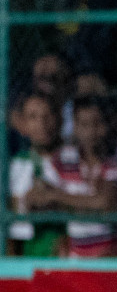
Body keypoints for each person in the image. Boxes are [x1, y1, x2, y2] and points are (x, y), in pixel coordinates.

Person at [32, 95, 117, 257]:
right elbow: (37, 196)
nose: (91, 132)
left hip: (111, 258)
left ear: (107, 124)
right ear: (75, 127)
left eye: (97, 123)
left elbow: (105, 202)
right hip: (75, 257)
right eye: (84, 124)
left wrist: (56, 197)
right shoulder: (63, 160)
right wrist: (86, 203)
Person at [8, 92, 65, 257]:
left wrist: (54, 199)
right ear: (23, 124)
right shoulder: (17, 164)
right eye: (33, 117)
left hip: (61, 249)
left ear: (59, 119)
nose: (42, 124)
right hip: (27, 250)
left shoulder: (70, 160)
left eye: (47, 116)